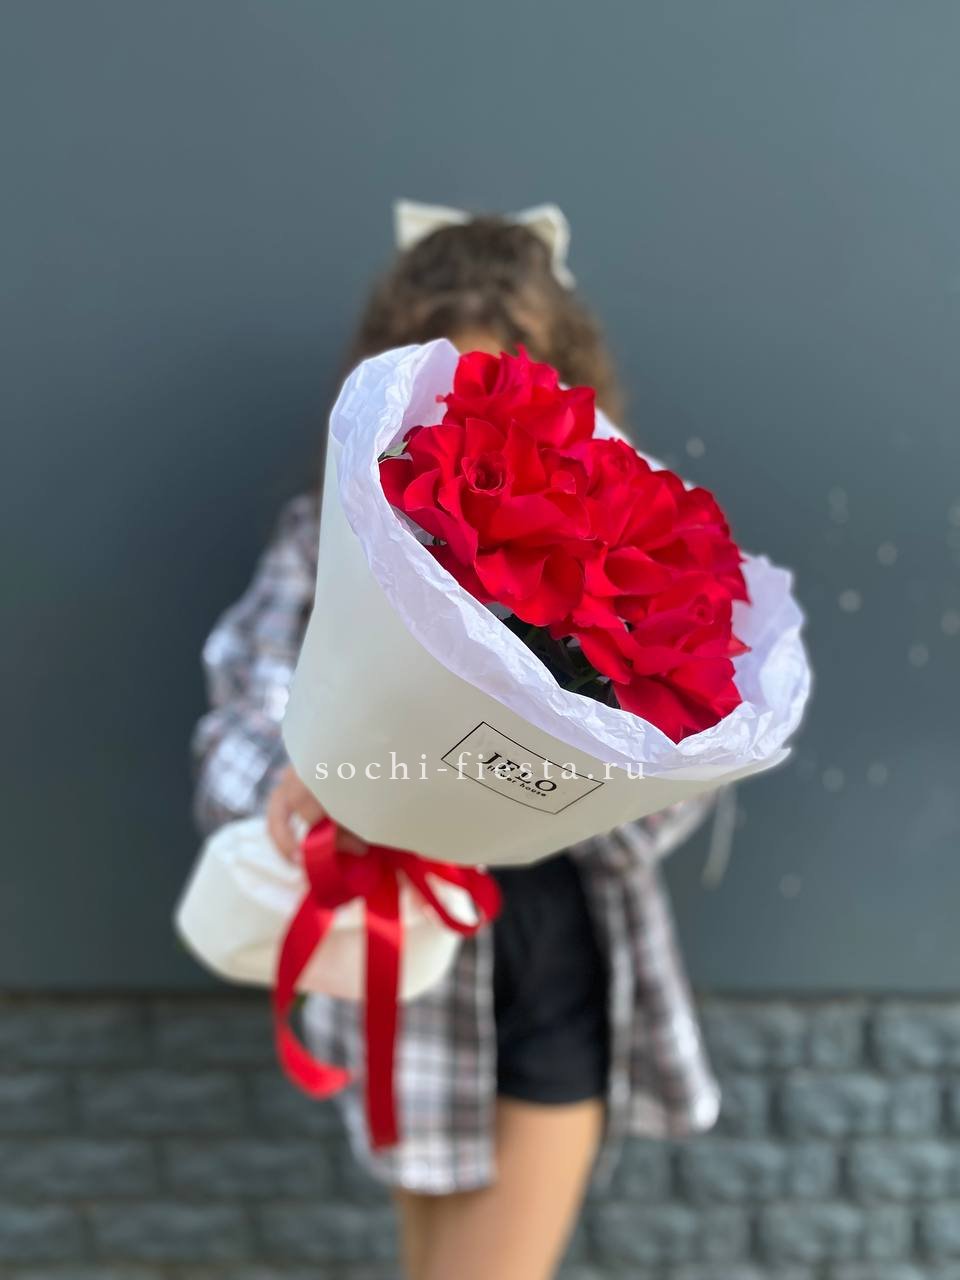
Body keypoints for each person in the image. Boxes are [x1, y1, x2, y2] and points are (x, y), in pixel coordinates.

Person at [191, 202, 727, 1280]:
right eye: (445, 385)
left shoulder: (628, 538)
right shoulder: (335, 532)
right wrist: (315, 776)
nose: (476, 419)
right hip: (404, 935)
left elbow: (682, 769)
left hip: (555, 935)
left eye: (505, 385)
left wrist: (551, 778)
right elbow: (244, 697)